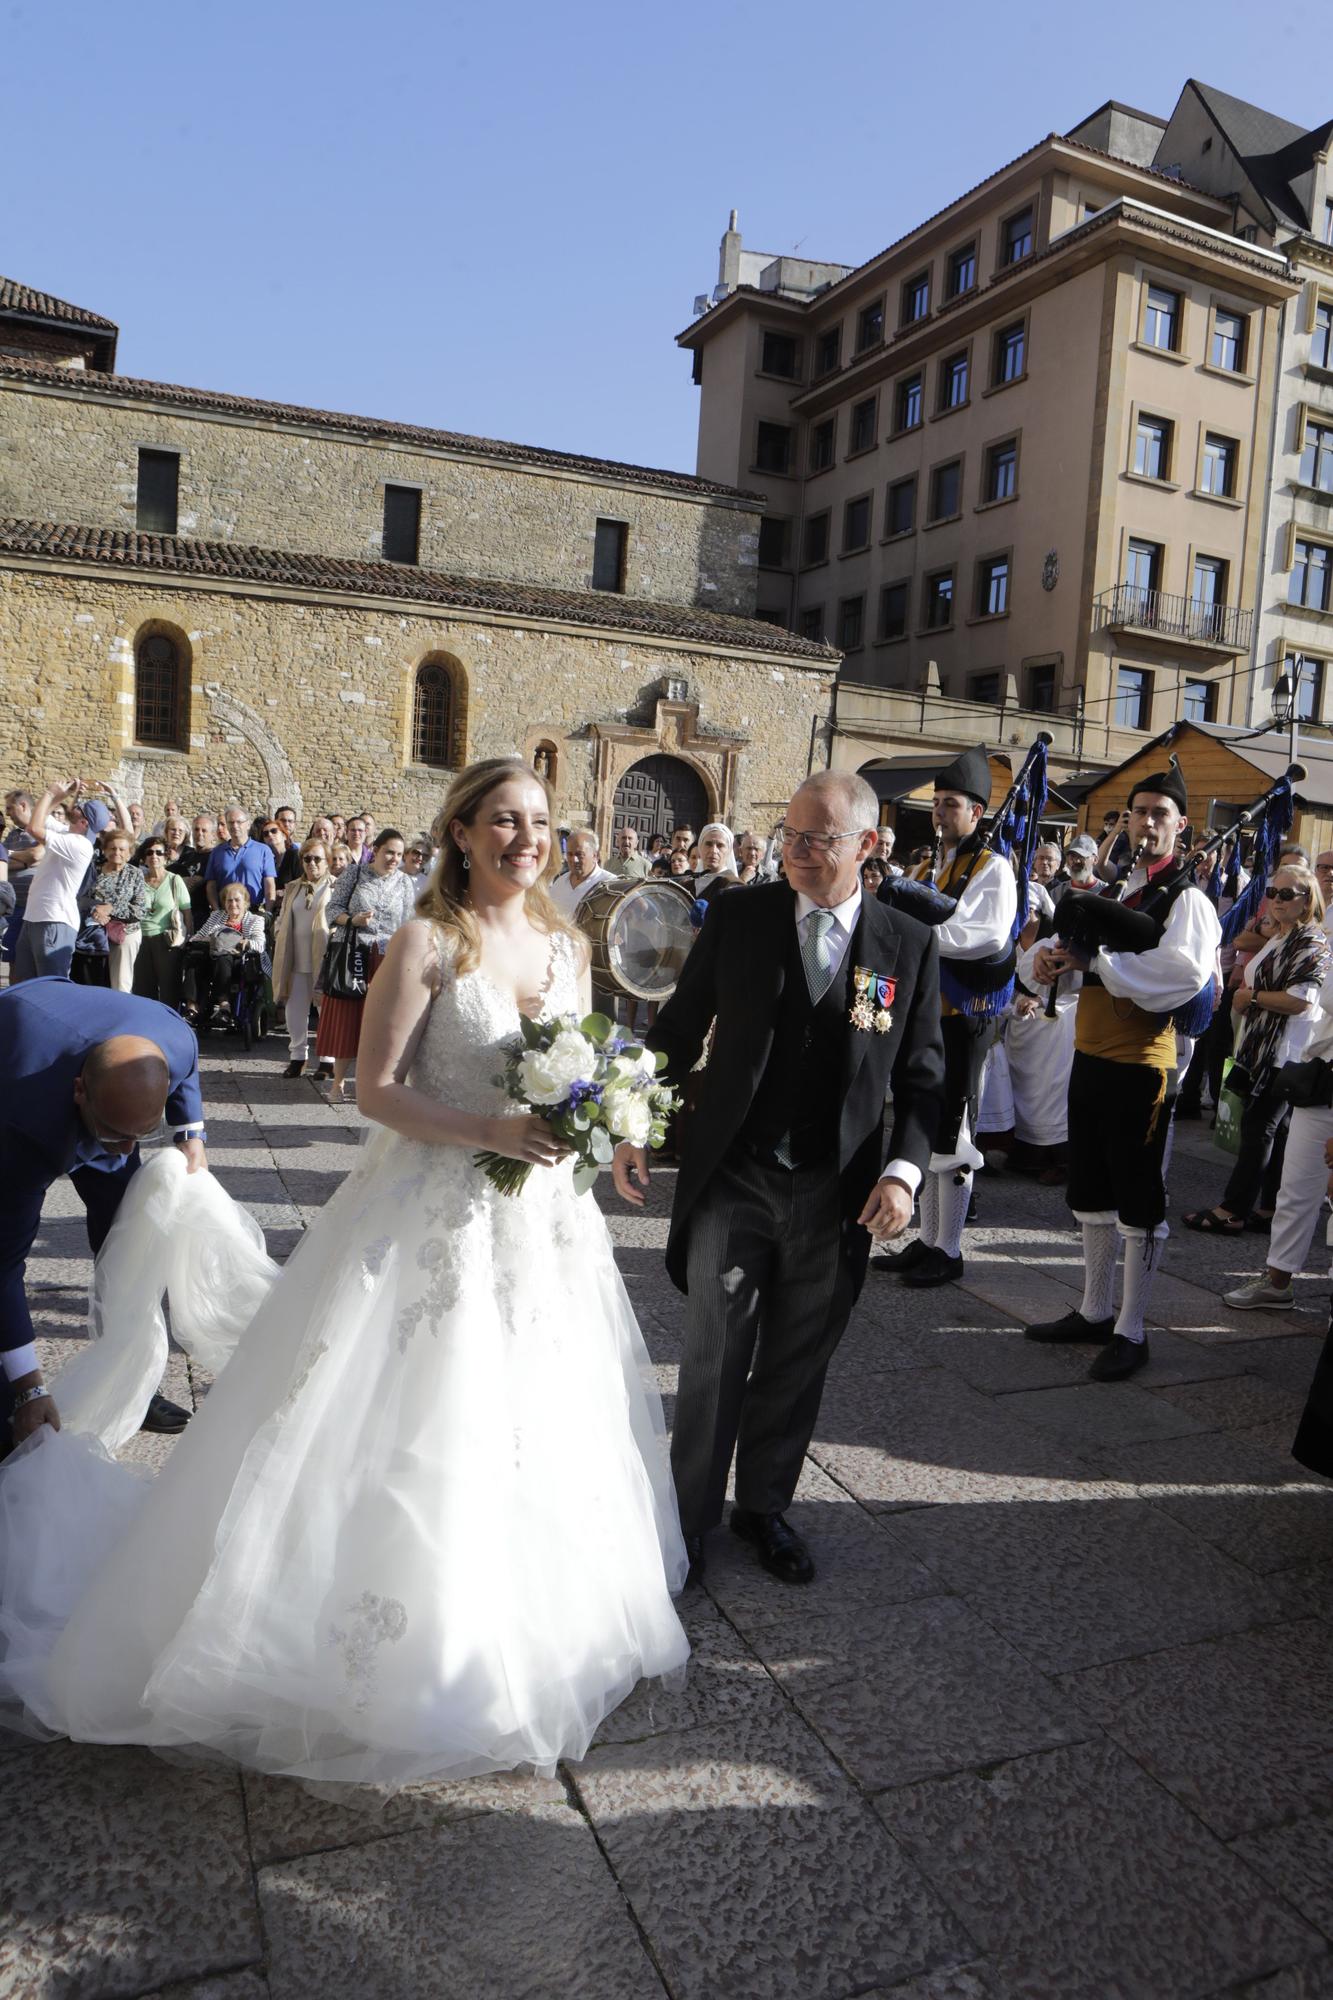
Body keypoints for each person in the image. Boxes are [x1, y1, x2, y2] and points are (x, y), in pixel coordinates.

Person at [0, 757, 687, 1784]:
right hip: (432, 1211)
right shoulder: (426, 939)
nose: (525, 838)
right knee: (416, 1421)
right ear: (461, 831)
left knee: (540, 1413)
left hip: (543, 1220)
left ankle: (533, 1629)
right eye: (503, 819)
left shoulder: (567, 941)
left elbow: (579, 1066)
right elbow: (376, 1089)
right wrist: (484, 1126)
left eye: (539, 821)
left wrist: (601, 1119)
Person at [615, 769, 944, 1586]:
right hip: (737, 1176)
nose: (793, 851)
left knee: (796, 1363)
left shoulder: (905, 944)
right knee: (713, 1360)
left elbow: (926, 1075)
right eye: (788, 834)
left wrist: (903, 1174)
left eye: (816, 839)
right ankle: (685, 1526)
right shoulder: (739, 916)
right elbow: (681, 1029)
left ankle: (762, 1508)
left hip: (837, 1195)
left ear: (867, 846)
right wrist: (628, 1119)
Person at [1023, 765, 1220, 1381]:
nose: (1149, 822)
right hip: (1091, 1055)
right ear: (1128, 819)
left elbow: (1183, 974)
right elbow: (1080, 950)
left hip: (1142, 1068)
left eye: (1162, 813)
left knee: (1137, 1197)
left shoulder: (1186, 897)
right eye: (1140, 812)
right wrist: (1054, 962)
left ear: (1181, 826)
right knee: (1089, 1190)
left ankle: (1132, 1329)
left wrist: (1098, 964)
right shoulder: (1123, 888)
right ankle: (1094, 1309)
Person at [0, 980, 203, 1443]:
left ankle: (132, 1378)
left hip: (97, 1083)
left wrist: (190, 1133)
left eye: (141, 1135)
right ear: (80, 1094)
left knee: (128, 1237)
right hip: (18, 1064)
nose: (129, 1150)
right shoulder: (25, 1126)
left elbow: (184, 1076)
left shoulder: (175, 1040)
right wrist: (28, 1387)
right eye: (117, 1134)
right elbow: (3, 1266)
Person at [879, 746, 1017, 1290]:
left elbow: (984, 935)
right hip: (923, 1013)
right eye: (936, 803)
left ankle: (951, 1246)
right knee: (924, 1122)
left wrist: (916, 938)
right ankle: (929, 1238)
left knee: (954, 1128)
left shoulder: (994, 869)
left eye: (952, 804)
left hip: (964, 1015)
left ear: (977, 812)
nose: (940, 813)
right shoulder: (923, 864)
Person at [1184, 865, 1328, 1237]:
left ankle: (1233, 1209)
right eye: (1272, 892)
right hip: (1264, 1048)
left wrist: (1252, 998)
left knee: (1258, 1128)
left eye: (1286, 894)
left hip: (1284, 1053)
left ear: (1306, 900)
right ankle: (1268, 1206)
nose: (1276, 901)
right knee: (1274, 1130)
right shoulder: (1283, 937)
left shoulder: (1311, 942)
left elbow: (1302, 1001)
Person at [315, 829, 415, 1103]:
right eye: (389, 852)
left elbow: (408, 922)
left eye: (398, 854)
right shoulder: (355, 874)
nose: (394, 859)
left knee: (384, 1026)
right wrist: (353, 920)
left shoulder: (406, 882)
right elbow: (331, 910)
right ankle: (337, 1084)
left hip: (388, 958)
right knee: (348, 1020)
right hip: (355, 955)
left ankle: (372, 1086)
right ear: (376, 850)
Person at [13, 781, 121, 983]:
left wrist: (50, 793)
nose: (75, 806)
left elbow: (33, 828)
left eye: (80, 807)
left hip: (55, 921)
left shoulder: (80, 844)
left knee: (50, 987)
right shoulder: (67, 833)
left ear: (85, 822)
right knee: (25, 986)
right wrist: (62, 796)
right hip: (35, 917)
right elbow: (41, 816)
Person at [272, 839, 334, 1078]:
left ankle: (327, 1059)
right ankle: (298, 1057)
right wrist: (279, 930)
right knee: (295, 1009)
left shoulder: (335, 887)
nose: (312, 864)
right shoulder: (293, 888)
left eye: (317, 858)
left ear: (327, 861)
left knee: (325, 1009)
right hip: (295, 956)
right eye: (307, 859)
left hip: (323, 956)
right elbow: (283, 915)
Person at [182, 883, 268, 1025]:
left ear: (245, 902)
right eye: (229, 900)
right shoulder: (216, 916)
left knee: (223, 958)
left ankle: (224, 1005)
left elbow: (260, 945)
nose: (233, 904)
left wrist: (244, 943)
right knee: (194, 960)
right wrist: (213, 939)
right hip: (210, 957)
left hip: (237, 962)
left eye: (237, 900)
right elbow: (196, 937)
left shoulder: (255, 920)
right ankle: (192, 1007)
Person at [132, 836, 192, 1007]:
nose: (154, 856)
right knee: (143, 990)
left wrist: (187, 940)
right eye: (149, 852)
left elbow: (187, 912)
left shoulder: (175, 880)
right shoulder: (137, 881)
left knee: (169, 990)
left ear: (166, 857)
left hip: (167, 940)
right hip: (140, 939)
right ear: (144, 858)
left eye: (159, 852)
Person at [87, 826, 148, 993]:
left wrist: (111, 908)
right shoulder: (94, 871)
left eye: (122, 849)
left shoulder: (135, 874)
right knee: (92, 982)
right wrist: (95, 910)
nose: (117, 852)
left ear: (129, 853)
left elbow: (141, 910)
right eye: (113, 848)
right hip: (93, 933)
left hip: (125, 934)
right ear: (105, 850)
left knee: (120, 984)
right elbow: (81, 898)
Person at [204, 807, 276, 913]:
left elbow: (269, 884)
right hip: (225, 913)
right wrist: (216, 910)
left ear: (248, 824)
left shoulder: (263, 850)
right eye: (231, 822)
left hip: (254, 913)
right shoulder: (217, 852)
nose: (235, 826)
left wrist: (268, 913)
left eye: (239, 822)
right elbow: (211, 885)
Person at [548, 827, 614, 918]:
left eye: (579, 854)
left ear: (595, 856)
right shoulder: (559, 883)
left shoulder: (611, 884)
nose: (574, 860)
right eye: (570, 854)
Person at [261, 817, 303, 893]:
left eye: (274, 831)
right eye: (265, 834)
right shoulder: (269, 861)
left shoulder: (294, 855)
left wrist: (283, 892)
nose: (270, 834)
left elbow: (302, 882)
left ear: (284, 836)